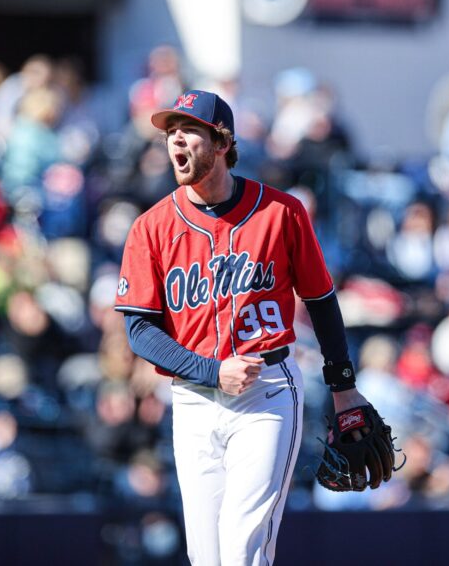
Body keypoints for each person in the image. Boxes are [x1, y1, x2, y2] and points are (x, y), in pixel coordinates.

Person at [114, 89, 389, 565]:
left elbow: (321, 301)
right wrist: (208, 370)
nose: (176, 142)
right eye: (170, 134)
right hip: (193, 397)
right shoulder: (151, 228)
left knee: (243, 549)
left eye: (189, 132)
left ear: (221, 142)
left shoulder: (280, 212)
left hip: (267, 391)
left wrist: (343, 385)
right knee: (207, 557)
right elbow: (139, 330)